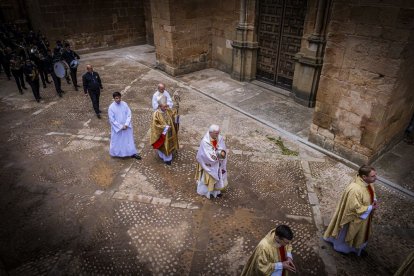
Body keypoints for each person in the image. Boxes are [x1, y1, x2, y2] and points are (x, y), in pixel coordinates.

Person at [323, 165, 378, 256]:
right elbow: (353, 208)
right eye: (373, 176)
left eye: (375, 175)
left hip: (364, 215)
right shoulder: (355, 189)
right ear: (364, 177)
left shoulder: (368, 182)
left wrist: (374, 199)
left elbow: (372, 192)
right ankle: (342, 247)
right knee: (345, 233)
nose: (376, 178)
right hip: (352, 218)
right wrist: (370, 208)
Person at [195, 124, 228, 199]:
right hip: (209, 165)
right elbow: (205, 154)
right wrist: (216, 156)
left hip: (218, 163)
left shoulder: (219, 138)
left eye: (218, 133)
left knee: (219, 176)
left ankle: (217, 192)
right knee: (210, 179)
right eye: (216, 133)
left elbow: (223, 148)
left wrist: (221, 153)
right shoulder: (205, 141)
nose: (218, 134)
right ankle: (208, 192)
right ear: (210, 132)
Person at [108, 92, 141, 160]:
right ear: (114, 98)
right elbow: (112, 120)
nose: (118, 99)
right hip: (118, 128)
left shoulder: (125, 104)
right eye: (116, 98)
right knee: (118, 141)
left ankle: (131, 153)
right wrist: (120, 126)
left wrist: (126, 124)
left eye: (119, 98)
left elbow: (129, 114)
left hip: (126, 126)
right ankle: (117, 153)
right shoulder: (111, 107)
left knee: (128, 140)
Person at [150, 95, 179, 165]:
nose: (166, 108)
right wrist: (164, 127)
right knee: (164, 145)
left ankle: (168, 156)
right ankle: (167, 159)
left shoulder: (168, 110)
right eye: (164, 106)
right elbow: (155, 125)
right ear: (160, 106)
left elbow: (173, 115)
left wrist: (176, 111)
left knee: (170, 144)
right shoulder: (156, 114)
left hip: (171, 132)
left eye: (166, 106)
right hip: (163, 134)